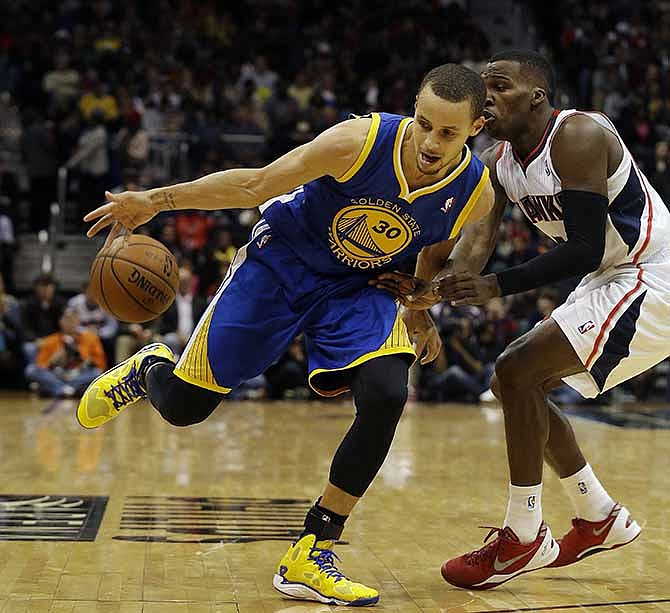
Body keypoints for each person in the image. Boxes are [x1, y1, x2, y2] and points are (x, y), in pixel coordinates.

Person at [76, 63, 493, 606]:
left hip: (356, 287)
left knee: (388, 393)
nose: (431, 141)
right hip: (280, 266)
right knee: (183, 408)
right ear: (412, 107)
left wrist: (420, 301)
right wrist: (154, 200)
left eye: (448, 132)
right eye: (423, 123)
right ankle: (150, 368)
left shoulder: (474, 193)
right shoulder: (357, 142)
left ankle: (312, 549)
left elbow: (436, 246)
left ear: (476, 128)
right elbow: (256, 183)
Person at [394, 50, 663, 589]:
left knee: (517, 371)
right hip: (611, 276)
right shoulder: (498, 163)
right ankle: (599, 517)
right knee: (512, 382)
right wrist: (437, 293)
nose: (486, 96)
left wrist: (495, 285)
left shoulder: (579, 135)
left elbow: (585, 248)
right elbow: (476, 244)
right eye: (482, 88)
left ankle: (524, 535)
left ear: (537, 97)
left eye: (499, 87)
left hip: (651, 274)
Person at [25, 308, 107, 397]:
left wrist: (83, 359)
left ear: (78, 321)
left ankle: (60, 389)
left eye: (72, 320)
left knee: (96, 373)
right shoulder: (50, 340)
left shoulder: (91, 339)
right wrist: (52, 361)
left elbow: (101, 365)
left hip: (79, 375)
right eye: (66, 320)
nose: (69, 323)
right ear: (60, 322)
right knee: (31, 370)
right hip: (56, 375)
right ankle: (67, 389)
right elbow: (40, 365)